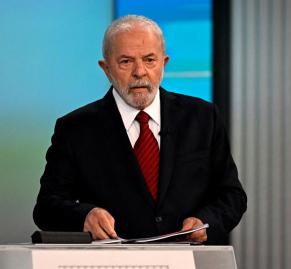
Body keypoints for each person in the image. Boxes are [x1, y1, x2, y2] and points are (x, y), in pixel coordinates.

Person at [33, 14, 247, 244]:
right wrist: (84, 216)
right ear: (106, 68)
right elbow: (46, 207)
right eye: (126, 61)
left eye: (149, 60)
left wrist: (206, 222)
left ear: (163, 63)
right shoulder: (75, 129)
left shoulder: (203, 118)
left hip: (188, 259)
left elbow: (231, 196)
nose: (139, 72)